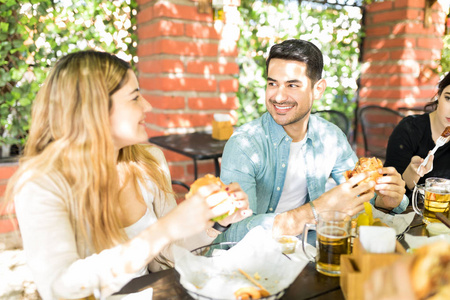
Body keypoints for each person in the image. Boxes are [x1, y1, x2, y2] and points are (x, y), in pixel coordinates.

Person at [4, 51, 251, 299]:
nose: (147, 105)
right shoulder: (41, 184)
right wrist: (164, 229)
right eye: (134, 98)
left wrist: (216, 222)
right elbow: (59, 287)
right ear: (95, 109)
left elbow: (167, 254)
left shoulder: (149, 161)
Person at [214, 39, 408, 243]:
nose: (278, 96)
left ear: (318, 89)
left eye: (292, 85)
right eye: (272, 83)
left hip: (310, 252)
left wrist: (387, 201)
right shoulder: (244, 145)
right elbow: (233, 234)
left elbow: (359, 191)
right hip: (252, 261)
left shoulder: (330, 137)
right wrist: (317, 210)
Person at [385, 72, 450, 200]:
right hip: (408, 214)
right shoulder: (409, 129)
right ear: (438, 95)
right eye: (449, 98)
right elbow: (388, 196)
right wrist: (413, 173)